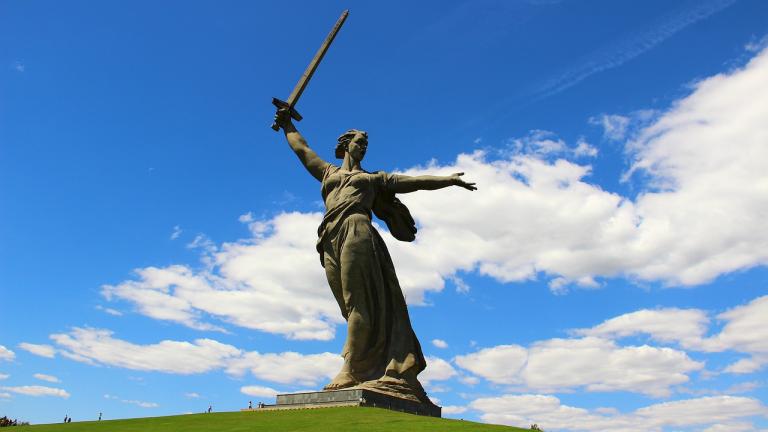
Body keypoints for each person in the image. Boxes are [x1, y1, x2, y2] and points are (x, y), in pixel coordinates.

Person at [274, 109, 476, 402]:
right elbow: (302, 149)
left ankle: (350, 370)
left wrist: (448, 180)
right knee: (348, 305)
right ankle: (366, 361)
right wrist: (287, 123)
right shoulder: (329, 172)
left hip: (357, 229)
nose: (363, 147)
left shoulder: (372, 179)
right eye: (359, 142)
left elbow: (414, 182)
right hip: (328, 236)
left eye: (365, 144)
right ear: (345, 145)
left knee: (358, 301)